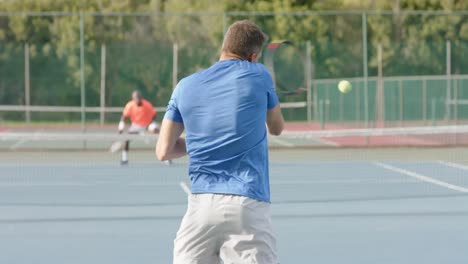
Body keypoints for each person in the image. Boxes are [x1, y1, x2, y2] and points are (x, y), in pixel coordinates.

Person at [156, 20, 284, 264]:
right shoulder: (259, 74)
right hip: (248, 204)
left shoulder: (185, 86)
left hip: (201, 210)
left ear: (224, 47)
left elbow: (163, 150)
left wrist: (204, 141)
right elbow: (276, 128)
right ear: (253, 56)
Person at [118, 90, 163, 165]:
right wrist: (121, 125)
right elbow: (124, 116)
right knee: (127, 138)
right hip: (136, 125)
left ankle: (166, 157)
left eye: (138, 97)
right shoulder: (130, 105)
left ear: (141, 98)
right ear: (133, 98)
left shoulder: (147, 105)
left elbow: (154, 114)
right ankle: (124, 159)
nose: (137, 99)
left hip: (148, 125)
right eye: (135, 98)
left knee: (160, 134)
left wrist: (151, 123)